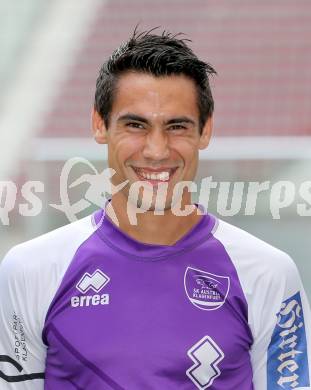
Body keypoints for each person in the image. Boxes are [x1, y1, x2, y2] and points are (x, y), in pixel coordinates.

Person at [0, 29, 310, 390]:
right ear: (100, 125)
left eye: (177, 126)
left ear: (205, 131)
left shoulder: (268, 274)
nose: (157, 150)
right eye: (136, 125)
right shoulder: (30, 270)